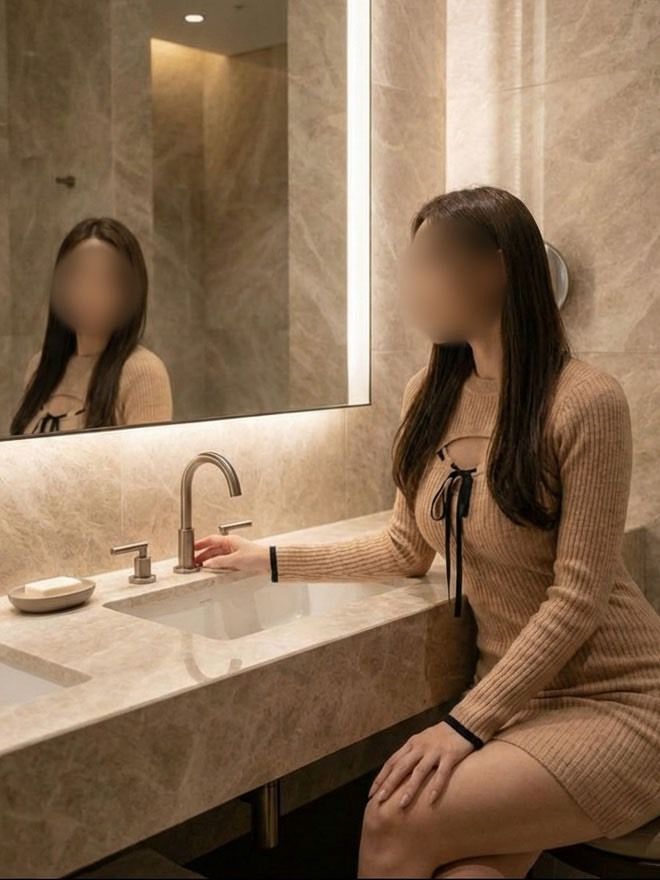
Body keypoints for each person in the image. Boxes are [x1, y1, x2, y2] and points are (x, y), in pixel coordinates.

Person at [192, 185, 660, 879]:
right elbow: (404, 547)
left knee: (395, 814)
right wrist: (269, 558)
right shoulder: (428, 393)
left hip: (615, 700)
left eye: (428, 264)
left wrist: (465, 724)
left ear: (497, 269)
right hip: (515, 700)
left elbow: (578, 599)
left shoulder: (585, 400)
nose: (409, 285)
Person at [11, 217, 172, 435]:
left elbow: (149, 456)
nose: (89, 292)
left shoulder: (142, 372)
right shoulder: (40, 367)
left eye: (106, 280)